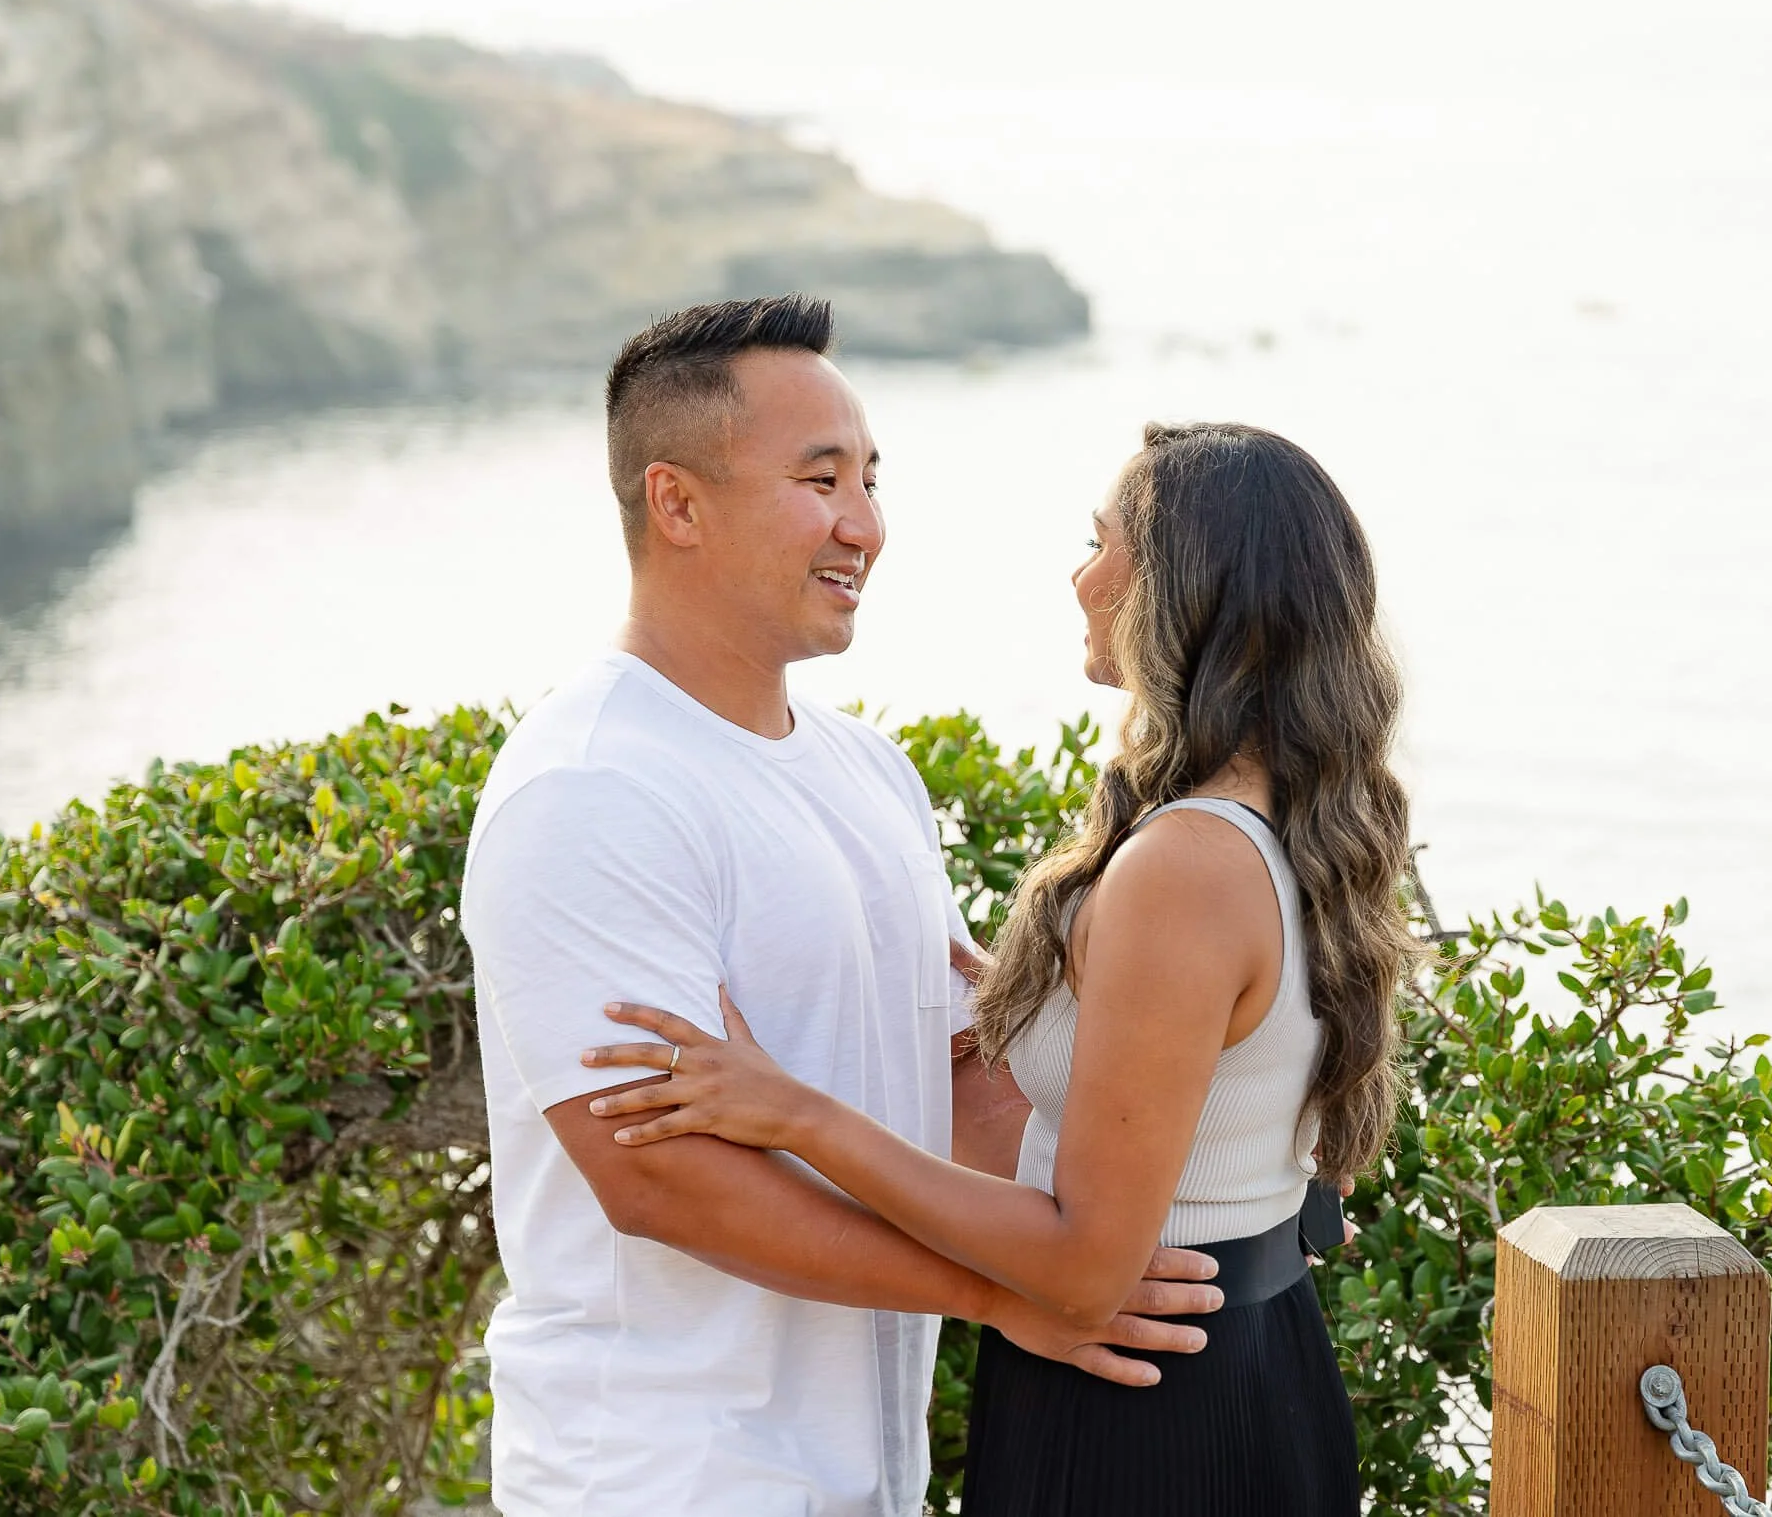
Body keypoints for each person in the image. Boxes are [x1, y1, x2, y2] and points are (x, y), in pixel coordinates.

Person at [458, 298, 1225, 1517]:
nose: (863, 524)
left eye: (870, 479)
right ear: (676, 502)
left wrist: (1133, 1218)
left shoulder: (868, 773)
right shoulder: (590, 786)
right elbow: (661, 1179)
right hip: (664, 1477)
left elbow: (955, 1083)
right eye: (819, 480)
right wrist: (999, 1293)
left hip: (864, 1474)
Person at [584, 420, 1420, 1516]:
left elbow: (1081, 1268)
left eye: (1099, 540)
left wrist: (791, 1110)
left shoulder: (1184, 865)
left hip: (1142, 1401)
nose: (1079, 576)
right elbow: (1231, 1086)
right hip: (1246, 1362)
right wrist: (1038, 995)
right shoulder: (1287, 818)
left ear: (1177, 585)